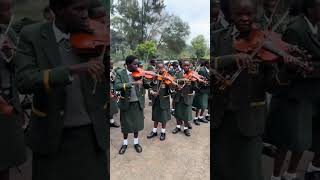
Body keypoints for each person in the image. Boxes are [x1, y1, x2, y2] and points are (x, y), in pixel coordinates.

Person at [14, 0, 108, 179]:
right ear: (57, 9)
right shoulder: (32, 35)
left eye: (86, 9)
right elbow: (24, 81)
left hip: (91, 135)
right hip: (51, 135)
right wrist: (72, 70)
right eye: (78, 9)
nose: (85, 15)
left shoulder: (96, 35)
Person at [211, 0, 302, 179]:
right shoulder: (216, 37)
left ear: (255, 14)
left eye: (249, 14)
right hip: (219, 119)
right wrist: (231, 58)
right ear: (229, 14)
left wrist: (287, 71)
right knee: (219, 170)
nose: (245, 18)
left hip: (250, 120)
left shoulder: (265, 41)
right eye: (239, 14)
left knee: (249, 172)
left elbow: (272, 86)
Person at [267, 0, 320, 179]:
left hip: (312, 94)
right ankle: (275, 175)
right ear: (311, 8)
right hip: (294, 95)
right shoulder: (295, 29)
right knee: (286, 139)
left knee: (303, 139)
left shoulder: (316, 26)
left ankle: (290, 174)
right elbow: (286, 63)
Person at [0, 0, 26, 180]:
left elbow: (20, 64)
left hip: (9, 100)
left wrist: (11, 54)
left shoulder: (7, 35)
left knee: (6, 157)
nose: (11, 13)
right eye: (7, 9)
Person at [115, 55, 151, 154]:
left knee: (136, 125)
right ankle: (125, 143)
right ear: (127, 64)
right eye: (134, 64)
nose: (137, 66)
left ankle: (136, 143)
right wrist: (132, 83)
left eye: (137, 64)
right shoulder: (120, 73)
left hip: (137, 103)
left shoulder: (140, 73)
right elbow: (117, 86)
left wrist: (151, 80)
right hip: (126, 103)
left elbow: (147, 86)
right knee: (125, 126)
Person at [147, 62, 173, 141]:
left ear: (164, 68)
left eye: (162, 68)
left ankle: (163, 132)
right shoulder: (153, 77)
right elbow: (149, 87)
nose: (160, 70)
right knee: (156, 117)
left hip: (164, 100)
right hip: (156, 101)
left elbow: (171, 91)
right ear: (156, 68)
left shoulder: (167, 76)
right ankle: (154, 131)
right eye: (158, 68)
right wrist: (152, 92)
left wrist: (170, 83)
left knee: (164, 118)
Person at [172, 60, 197, 136]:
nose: (186, 67)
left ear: (189, 66)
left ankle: (186, 129)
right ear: (182, 66)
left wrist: (195, 81)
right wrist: (178, 84)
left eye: (187, 65)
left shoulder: (192, 74)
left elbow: (194, 87)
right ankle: (178, 127)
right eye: (184, 65)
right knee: (178, 113)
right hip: (179, 96)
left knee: (186, 114)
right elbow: (174, 81)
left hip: (187, 97)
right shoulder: (178, 73)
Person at [192, 61, 210, 125]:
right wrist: (205, 83)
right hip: (201, 90)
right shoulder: (202, 70)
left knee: (204, 105)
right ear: (206, 64)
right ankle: (196, 118)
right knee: (198, 105)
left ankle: (201, 117)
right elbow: (198, 80)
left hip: (207, 90)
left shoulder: (210, 70)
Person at [110, 60, 120, 128]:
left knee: (113, 107)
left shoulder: (112, 71)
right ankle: (111, 121)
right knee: (112, 107)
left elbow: (114, 80)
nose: (112, 65)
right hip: (109, 91)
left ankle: (111, 121)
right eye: (111, 64)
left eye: (112, 64)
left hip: (113, 90)